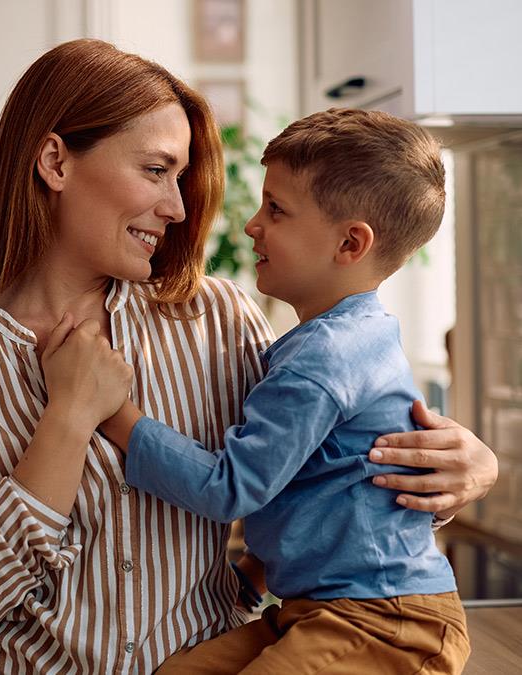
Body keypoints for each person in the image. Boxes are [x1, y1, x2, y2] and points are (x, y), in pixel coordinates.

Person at [0, 39, 497, 675]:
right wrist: (68, 418)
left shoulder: (219, 320)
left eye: (180, 178)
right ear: (55, 161)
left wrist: (463, 472)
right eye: (155, 171)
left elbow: (323, 463)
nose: (177, 208)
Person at [92, 108, 470, 673]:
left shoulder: (326, 357)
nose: (252, 224)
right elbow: (323, 486)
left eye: (277, 209)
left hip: (385, 622)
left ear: (350, 244)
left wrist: (111, 411)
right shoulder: (337, 340)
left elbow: (230, 488)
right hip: (317, 609)